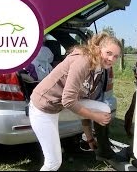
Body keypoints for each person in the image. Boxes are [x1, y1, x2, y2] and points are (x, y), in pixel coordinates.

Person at [29, 32, 126, 171]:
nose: (111, 59)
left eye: (116, 56)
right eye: (108, 53)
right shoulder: (83, 61)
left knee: (104, 109)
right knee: (53, 163)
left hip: (60, 106)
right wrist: (95, 116)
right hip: (43, 108)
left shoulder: (98, 69)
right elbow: (69, 100)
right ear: (98, 49)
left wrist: (90, 138)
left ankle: (103, 152)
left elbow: (82, 104)